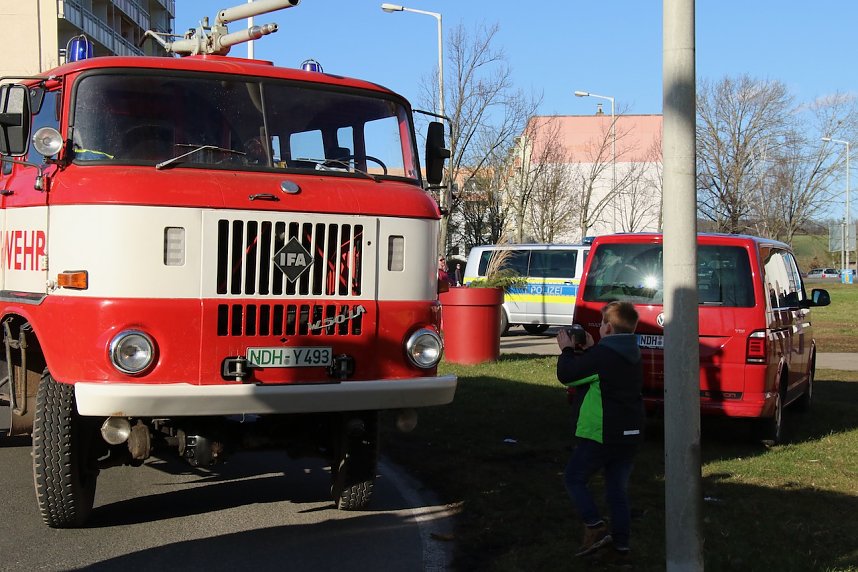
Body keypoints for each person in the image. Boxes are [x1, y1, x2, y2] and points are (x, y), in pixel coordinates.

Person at [556, 301, 644, 564]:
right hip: (630, 433)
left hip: (603, 432)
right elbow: (602, 371)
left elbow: (569, 375)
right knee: (617, 490)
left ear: (606, 327)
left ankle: (594, 525)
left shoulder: (603, 357)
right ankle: (621, 545)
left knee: (573, 478)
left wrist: (567, 350)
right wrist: (593, 350)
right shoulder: (632, 352)